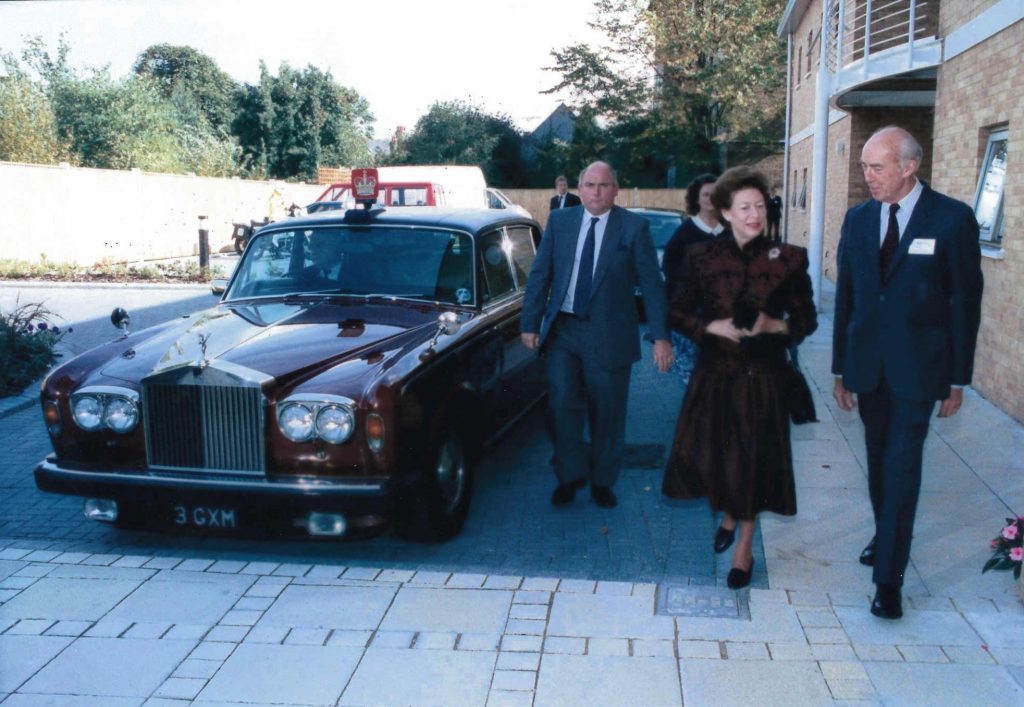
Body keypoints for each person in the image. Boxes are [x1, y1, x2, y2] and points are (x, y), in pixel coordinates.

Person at [832, 126, 983, 619]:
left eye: (876, 167)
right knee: (878, 463)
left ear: (909, 166)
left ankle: (889, 580)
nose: (867, 176)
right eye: (863, 167)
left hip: (921, 371)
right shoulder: (857, 220)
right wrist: (840, 370)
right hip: (868, 368)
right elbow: (849, 300)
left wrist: (958, 378)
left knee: (901, 465)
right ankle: (887, 532)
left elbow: (965, 302)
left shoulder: (952, 219)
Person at [662, 165, 817, 589]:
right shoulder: (703, 258)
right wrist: (709, 327)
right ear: (726, 212)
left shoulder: (787, 259)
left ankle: (743, 551)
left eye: (760, 206)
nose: (754, 214)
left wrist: (774, 328)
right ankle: (730, 513)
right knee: (719, 461)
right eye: (744, 207)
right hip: (715, 378)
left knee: (752, 464)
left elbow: (807, 321)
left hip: (762, 380)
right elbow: (674, 311)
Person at [522, 161, 673, 509]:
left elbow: (652, 284)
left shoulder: (633, 228)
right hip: (564, 330)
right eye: (589, 185)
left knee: (608, 411)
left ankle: (603, 481)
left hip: (610, 335)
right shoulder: (561, 222)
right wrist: (530, 322)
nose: (596, 192)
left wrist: (661, 336)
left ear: (616, 189)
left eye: (604, 185)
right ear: (579, 187)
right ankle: (570, 476)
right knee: (562, 405)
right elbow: (540, 273)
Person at [661, 173, 726, 387]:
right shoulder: (684, 235)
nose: (711, 199)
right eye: (705, 194)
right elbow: (671, 273)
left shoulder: (732, 233)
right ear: (697, 199)